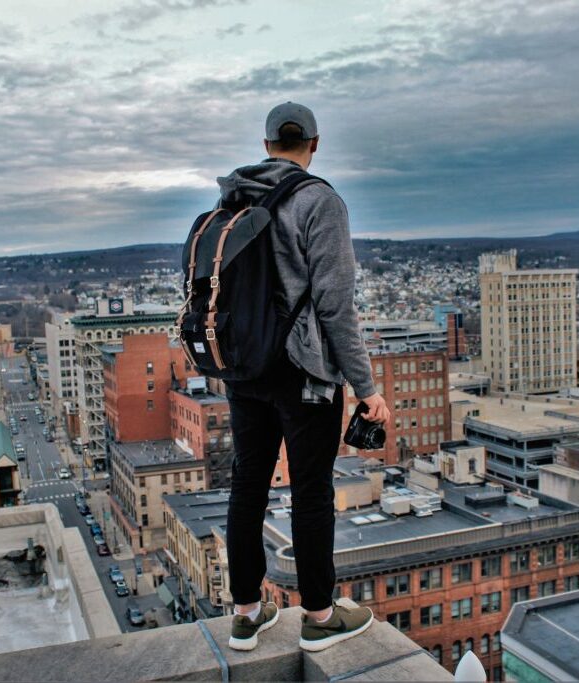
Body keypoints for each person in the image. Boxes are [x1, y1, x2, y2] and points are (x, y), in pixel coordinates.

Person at [220, 102, 391, 652]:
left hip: (245, 368)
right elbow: (336, 306)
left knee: (247, 485)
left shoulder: (231, 197)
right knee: (311, 491)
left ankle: (247, 612)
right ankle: (319, 615)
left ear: (267, 144)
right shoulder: (319, 201)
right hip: (304, 374)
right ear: (313, 144)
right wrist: (366, 390)